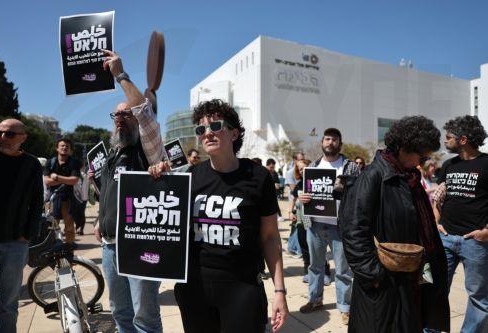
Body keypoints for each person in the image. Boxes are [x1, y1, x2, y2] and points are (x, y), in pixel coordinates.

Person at [151, 99, 288, 333]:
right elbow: (161, 222)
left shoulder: (258, 177)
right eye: (201, 129)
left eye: (216, 126)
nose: (207, 133)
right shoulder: (190, 178)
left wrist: (279, 292)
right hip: (195, 287)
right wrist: (158, 182)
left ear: (234, 134)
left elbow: (270, 238)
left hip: (242, 287)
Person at [341, 116, 449, 332]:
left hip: (408, 280)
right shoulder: (373, 176)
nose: (422, 160)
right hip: (384, 284)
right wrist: (375, 275)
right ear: (403, 148)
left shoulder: (409, 178)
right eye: (421, 154)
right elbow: (353, 230)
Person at [93, 49, 165, 333]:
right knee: (120, 313)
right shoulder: (113, 152)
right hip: (110, 246)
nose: (120, 117)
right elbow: (110, 192)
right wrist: (101, 219)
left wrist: (120, 75)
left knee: (144, 318)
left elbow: (145, 114)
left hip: (139, 244)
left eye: (126, 114)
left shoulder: (147, 149)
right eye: (116, 114)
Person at [297, 128, 359, 326]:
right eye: (327, 139)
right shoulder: (314, 166)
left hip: (340, 227)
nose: (330, 142)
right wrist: (302, 199)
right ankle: (315, 300)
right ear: (322, 142)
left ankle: (345, 307)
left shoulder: (349, 166)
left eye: (335, 140)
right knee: (315, 266)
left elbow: (360, 195)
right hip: (315, 225)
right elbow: (303, 196)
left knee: (342, 270)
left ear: (340, 144)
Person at [432, 115, 488, 332]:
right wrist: (437, 222)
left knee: (478, 298)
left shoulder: (486, 164)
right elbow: (438, 197)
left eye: (448, 137)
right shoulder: (448, 165)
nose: (445, 141)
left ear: (463, 139)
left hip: (476, 243)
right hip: (445, 239)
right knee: (435, 290)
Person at [0, 119, 43, 333]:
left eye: (9, 134)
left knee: (9, 303)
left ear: (23, 137)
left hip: (15, 243)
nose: (3, 138)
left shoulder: (31, 164)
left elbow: (37, 201)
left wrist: (28, 234)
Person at [43, 138, 81, 245]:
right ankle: (52, 251)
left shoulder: (74, 162)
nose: (64, 148)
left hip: (68, 199)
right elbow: (47, 181)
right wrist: (66, 180)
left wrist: (56, 177)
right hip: (51, 200)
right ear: (57, 148)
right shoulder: (50, 162)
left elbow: (74, 180)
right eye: (62, 146)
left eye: (67, 146)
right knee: (51, 227)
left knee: (69, 227)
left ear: (70, 149)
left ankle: (69, 252)